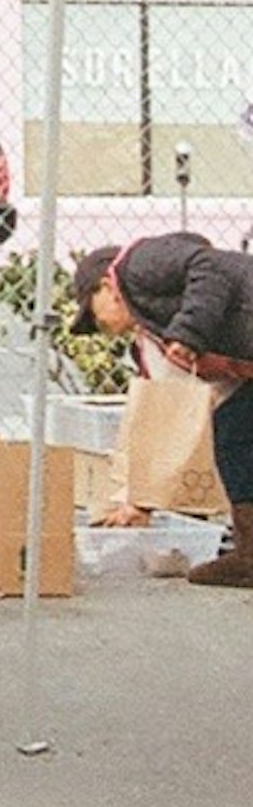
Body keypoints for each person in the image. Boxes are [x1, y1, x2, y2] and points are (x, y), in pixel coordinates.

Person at [76, 234, 253, 590]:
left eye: (92, 316)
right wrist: (139, 499)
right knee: (234, 436)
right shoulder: (149, 334)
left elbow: (210, 264)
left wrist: (188, 333)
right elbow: (157, 420)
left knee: (235, 434)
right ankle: (248, 556)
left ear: (106, 285)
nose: (100, 328)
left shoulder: (138, 264)